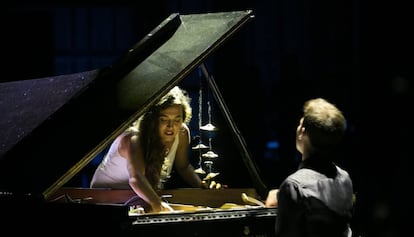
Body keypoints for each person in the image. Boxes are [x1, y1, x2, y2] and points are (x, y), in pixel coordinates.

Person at [90, 86, 208, 213]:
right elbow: (136, 178)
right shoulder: (134, 139)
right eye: (163, 119)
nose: (171, 126)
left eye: (177, 120)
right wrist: (158, 205)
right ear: (152, 120)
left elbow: (183, 166)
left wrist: (202, 187)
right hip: (104, 197)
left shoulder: (182, 132)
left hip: (140, 196)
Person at [265, 98, 354, 237]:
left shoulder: (293, 186)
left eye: (300, 124)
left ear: (302, 133)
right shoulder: (345, 179)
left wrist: (286, 194)